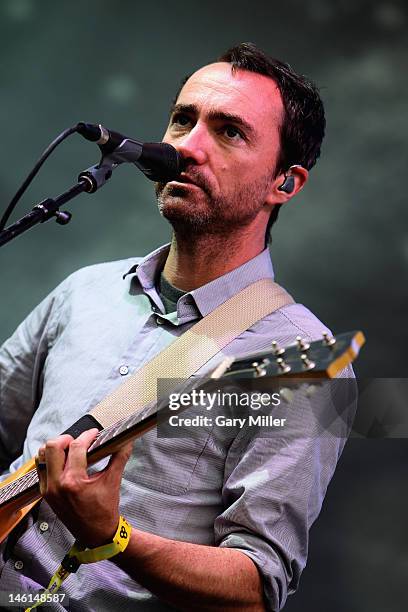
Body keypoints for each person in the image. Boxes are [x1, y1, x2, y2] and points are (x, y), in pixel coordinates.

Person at [0, 43, 350, 611]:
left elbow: (256, 588)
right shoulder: (84, 291)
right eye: (183, 119)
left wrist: (113, 538)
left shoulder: (302, 358)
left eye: (230, 131)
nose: (185, 147)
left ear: (284, 184)